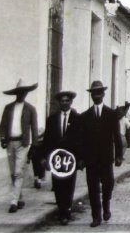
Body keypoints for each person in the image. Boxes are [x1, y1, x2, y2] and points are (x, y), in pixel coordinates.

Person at [82, 81, 123, 228]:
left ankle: (106, 205)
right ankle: (96, 216)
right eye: (94, 93)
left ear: (104, 94)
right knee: (92, 188)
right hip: (91, 159)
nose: (96, 95)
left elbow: (117, 136)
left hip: (106, 158)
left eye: (99, 92)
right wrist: (81, 158)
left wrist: (119, 155)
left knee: (108, 184)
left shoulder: (111, 114)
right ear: (91, 95)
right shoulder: (85, 116)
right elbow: (82, 139)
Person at [0, 79, 39, 214]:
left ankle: (14, 201)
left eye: (24, 92)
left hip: (23, 143)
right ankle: (20, 197)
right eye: (20, 92)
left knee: (18, 171)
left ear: (27, 93)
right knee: (12, 172)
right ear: (16, 93)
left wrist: (34, 146)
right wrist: (3, 138)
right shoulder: (9, 108)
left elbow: (34, 129)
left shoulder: (31, 109)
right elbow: (2, 126)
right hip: (10, 142)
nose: (22, 94)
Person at [41, 90, 82, 225]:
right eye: (62, 101)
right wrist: (45, 158)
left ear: (71, 102)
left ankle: (66, 211)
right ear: (59, 102)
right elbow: (47, 140)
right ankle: (61, 208)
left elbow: (82, 140)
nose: (64, 103)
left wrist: (81, 158)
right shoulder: (52, 119)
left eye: (67, 100)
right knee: (57, 184)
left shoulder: (77, 118)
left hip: (71, 158)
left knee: (69, 184)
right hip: (56, 158)